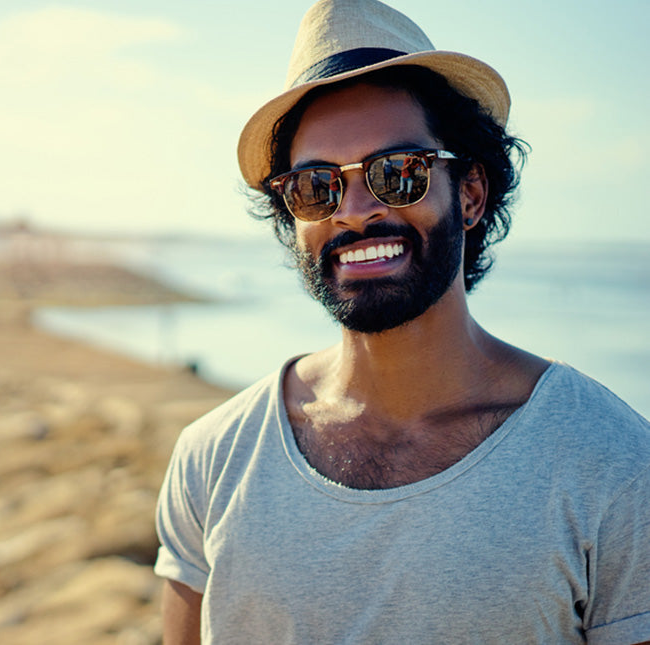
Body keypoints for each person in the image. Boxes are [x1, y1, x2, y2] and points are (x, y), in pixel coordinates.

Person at [153, 1, 650, 643]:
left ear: (469, 194)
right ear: (292, 217)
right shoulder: (214, 458)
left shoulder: (610, 462)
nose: (355, 212)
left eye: (397, 174)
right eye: (316, 185)